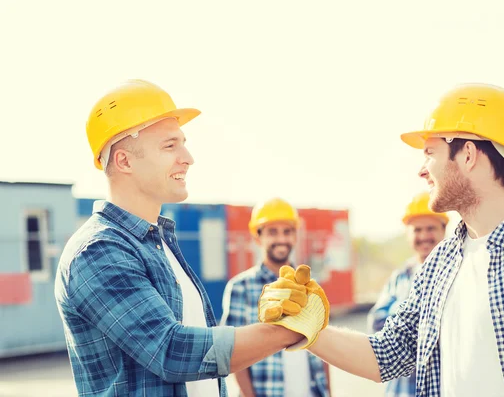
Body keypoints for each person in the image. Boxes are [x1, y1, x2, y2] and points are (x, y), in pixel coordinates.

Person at [259, 83, 504, 396]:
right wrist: (308, 326)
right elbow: (387, 355)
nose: (421, 170)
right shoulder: (440, 263)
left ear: (467, 154)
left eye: (430, 152)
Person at [54, 79, 317, 396]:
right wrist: (289, 329)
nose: (188, 157)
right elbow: (171, 351)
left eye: (183, 142)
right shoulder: (98, 251)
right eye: (169, 145)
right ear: (124, 161)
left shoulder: (158, 243)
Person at [221, 197, 331, 397]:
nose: (281, 239)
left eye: (287, 231)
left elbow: (323, 349)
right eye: (272, 232)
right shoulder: (240, 288)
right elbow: (233, 354)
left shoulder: (310, 287)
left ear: (295, 236)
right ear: (257, 237)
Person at [366, 191, 448, 397]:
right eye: (417, 229)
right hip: (403, 391)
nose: (424, 236)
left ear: (444, 230)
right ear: (408, 234)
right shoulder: (400, 277)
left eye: (430, 228)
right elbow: (376, 324)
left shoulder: (457, 271)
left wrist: (403, 318)